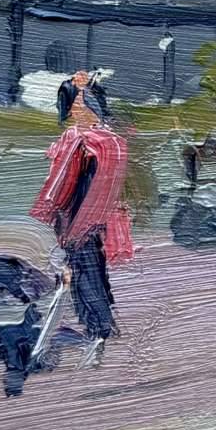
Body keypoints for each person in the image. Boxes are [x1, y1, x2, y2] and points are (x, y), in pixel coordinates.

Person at [30, 71, 133, 368]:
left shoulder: (83, 141)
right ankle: (101, 326)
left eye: (81, 104)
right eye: (75, 105)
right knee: (90, 271)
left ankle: (97, 330)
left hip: (78, 218)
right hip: (91, 218)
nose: (78, 110)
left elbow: (60, 185)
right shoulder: (108, 142)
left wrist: (44, 216)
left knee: (81, 274)